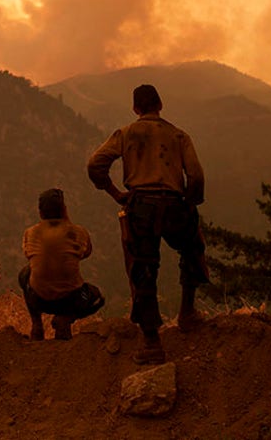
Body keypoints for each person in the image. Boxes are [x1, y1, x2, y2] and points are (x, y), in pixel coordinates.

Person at [86, 83, 209, 365]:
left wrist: (115, 193)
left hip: (141, 206)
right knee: (192, 249)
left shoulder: (126, 133)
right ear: (160, 105)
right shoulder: (178, 135)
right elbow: (197, 176)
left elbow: (95, 164)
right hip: (174, 204)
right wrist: (189, 204)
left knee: (143, 268)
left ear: (135, 108)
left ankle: (152, 341)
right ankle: (187, 312)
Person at [19, 188, 105, 340]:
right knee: (98, 297)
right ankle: (65, 319)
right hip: (71, 301)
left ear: (40, 213)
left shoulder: (30, 233)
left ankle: (37, 325)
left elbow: (29, 256)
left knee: (25, 273)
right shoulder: (78, 232)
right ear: (64, 210)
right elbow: (87, 253)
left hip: (39, 299)